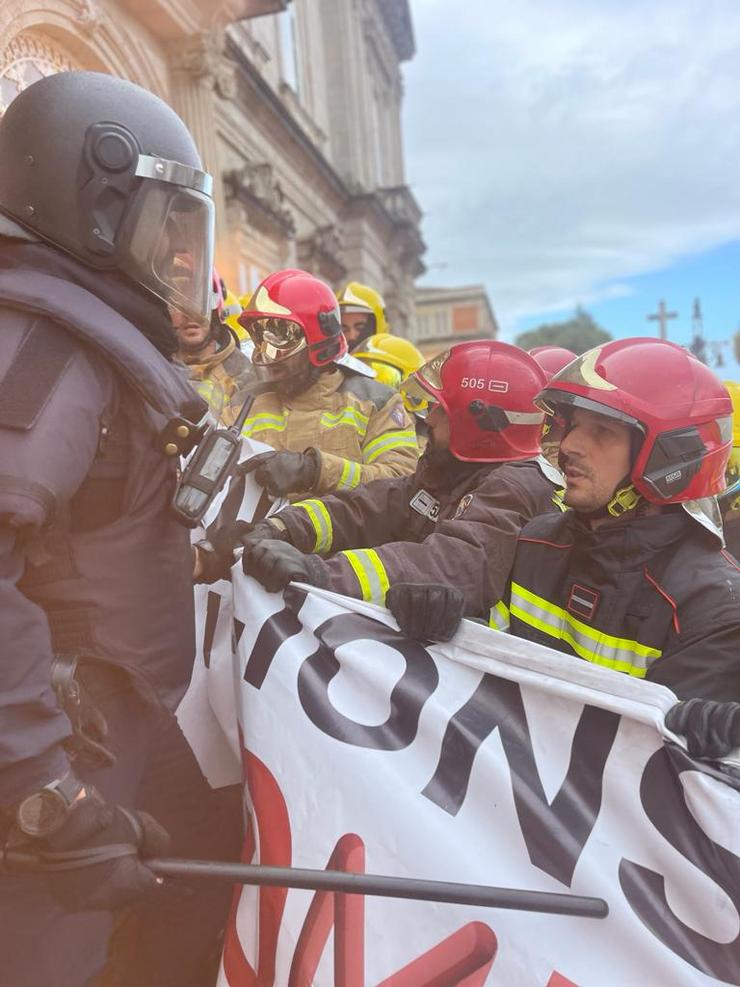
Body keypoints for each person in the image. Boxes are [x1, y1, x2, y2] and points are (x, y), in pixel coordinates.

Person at [0, 71, 238, 987]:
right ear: (95, 204)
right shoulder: (44, 345)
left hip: (87, 733)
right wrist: (41, 797)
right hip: (46, 762)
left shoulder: (75, 339)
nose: (181, 258)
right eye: (165, 226)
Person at [395, 339, 740, 759]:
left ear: (670, 460)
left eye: (602, 431)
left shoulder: (712, 607)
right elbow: (496, 680)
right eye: (572, 425)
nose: (570, 445)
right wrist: (450, 627)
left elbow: (643, 772)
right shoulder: (536, 545)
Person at [207, 341, 563, 641]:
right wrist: (285, 527)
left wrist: (318, 574)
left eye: (442, 410)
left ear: (478, 425)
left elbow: (450, 562)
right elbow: (369, 507)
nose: (431, 419)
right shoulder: (453, 471)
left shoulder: (517, 488)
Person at [234, 268, 419, 501]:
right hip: (253, 537)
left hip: (348, 538)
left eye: (280, 335)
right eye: (260, 337)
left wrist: (316, 471)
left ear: (318, 338)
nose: (268, 354)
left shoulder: (378, 403)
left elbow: (399, 485)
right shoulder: (241, 405)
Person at [173, 268, 253, 425]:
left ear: (216, 310)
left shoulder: (243, 376)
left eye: (200, 302)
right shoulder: (153, 363)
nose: (191, 314)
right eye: (178, 304)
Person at [336, 280, 389, 351]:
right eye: (344, 329)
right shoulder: (326, 360)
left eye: (360, 328)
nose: (351, 336)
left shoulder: (394, 359)